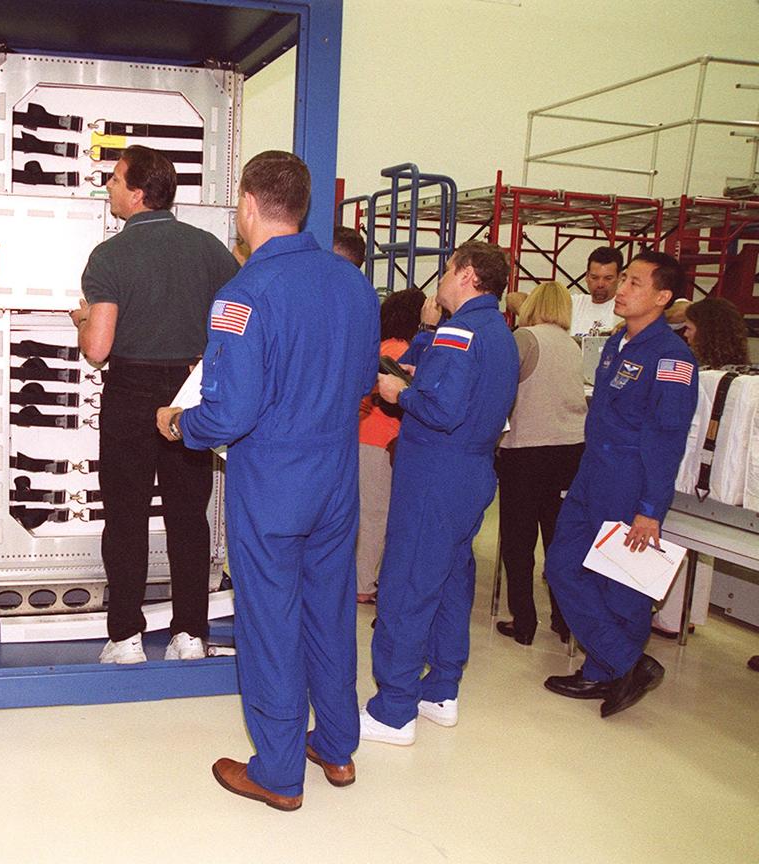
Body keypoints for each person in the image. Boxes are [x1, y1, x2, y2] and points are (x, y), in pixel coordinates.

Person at [156, 150, 379, 811]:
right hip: (338, 482)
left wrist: (178, 425)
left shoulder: (243, 295)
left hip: (273, 484)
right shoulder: (352, 285)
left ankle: (279, 772)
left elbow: (231, 411)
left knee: (271, 623)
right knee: (331, 613)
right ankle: (336, 747)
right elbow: (365, 383)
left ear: (248, 204)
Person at [70, 145, 238, 664]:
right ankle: (190, 635)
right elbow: (235, 327)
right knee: (189, 517)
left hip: (132, 394)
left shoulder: (110, 255)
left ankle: (125, 639)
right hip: (191, 395)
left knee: (126, 518)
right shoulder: (211, 250)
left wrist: (81, 323)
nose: (109, 189)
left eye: (116, 181)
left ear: (139, 194)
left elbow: (98, 350)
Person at [363, 240, 518, 744]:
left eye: (448, 270)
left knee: (407, 585)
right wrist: (423, 346)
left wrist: (399, 393)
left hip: (434, 471)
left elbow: (443, 409)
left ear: (468, 274)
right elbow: (457, 388)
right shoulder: (497, 332)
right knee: (451, 582)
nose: (442, 280)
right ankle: (441, 691)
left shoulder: (461, 330)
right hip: (472, 473)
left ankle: (393, 710)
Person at [543, 251, 697, 719]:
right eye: (623, 279)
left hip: (632, 481)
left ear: (662, 297)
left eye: (633, 282)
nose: (622, 289)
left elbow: (669, 436)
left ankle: (602, 670)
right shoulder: (616, 344)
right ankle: (628, 663)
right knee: (562, 566)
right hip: (593, 473)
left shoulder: (673, 357)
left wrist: (651, 507)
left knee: (622, 586)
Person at [651, 296, 749, 638]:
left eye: (690, 329)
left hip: (689, 474)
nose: (686, 335)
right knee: (702, 552)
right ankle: (690, 614)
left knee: (678, 541)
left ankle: (670, 616)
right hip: (721, 482)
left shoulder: (702, 377)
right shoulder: (740, 379)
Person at [494, 281, 587, 645]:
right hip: (570, 450)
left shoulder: (524, 338)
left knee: (519, 540)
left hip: (527, 448)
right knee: (558, 538)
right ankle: (565, 621)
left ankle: (524, 621)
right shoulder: (573, 345)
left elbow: (502, 386)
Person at [356, 289, 428, 604]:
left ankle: (359, 578)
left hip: (363, 437)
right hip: (382, 439)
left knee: (366, 512)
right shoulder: (403, 351)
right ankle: (363, 584)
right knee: (376, 514)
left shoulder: (381, 346)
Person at [506, 246, 622, 336]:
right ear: (586, 276)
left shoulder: (626, 310)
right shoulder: (571, 303)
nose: (600, 284)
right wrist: (532, 317)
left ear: (620, 277)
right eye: (594, 277)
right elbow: (512, 298)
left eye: (608, 278)